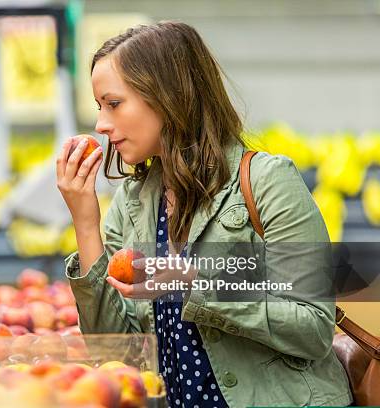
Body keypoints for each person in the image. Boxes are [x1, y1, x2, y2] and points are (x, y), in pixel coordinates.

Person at [56, 21, 352, 408]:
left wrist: (192, 282)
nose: (101, 124)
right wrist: (86, 223)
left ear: (167, 97)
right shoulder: (134, 201)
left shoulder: (267, 181)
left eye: (113, 103)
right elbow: (118, 355)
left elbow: (313, 327)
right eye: (100, 107)